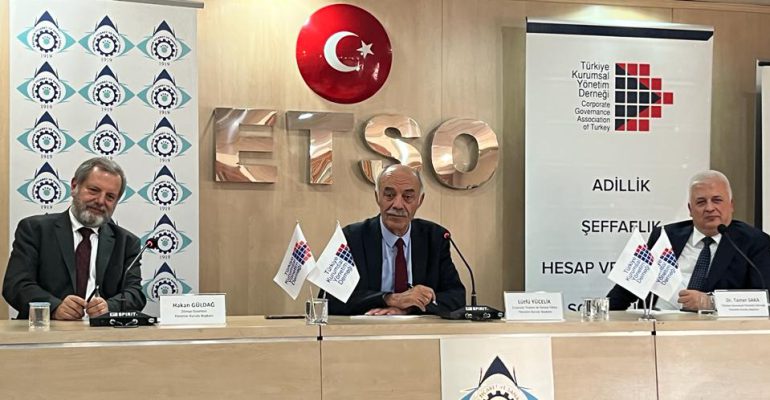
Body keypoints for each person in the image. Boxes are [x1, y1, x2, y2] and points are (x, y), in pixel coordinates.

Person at [3, 157, 146, 320]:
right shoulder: (35, 230)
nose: (100, 201)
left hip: (101, 331)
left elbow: (135, 294)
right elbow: (16, 285)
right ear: (74, 186)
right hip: (47, 329)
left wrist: (109, 307)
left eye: (110, 197)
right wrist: (54, 307)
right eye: (93, 190)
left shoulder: (127, 243)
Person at [608, 170, 770, 311]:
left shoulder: (754, 243)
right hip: (658, 325)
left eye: (717, 200)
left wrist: (711, 302)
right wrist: (601, 314)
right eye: (701, 202)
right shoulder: (665, 236)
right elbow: (628, 288)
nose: (709, 208)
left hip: (715, 330)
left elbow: (763, 300)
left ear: (731, 205)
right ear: (690, 209)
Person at [326, 164, 466, 315]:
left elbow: (456, 297)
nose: (398, 205)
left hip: (419, 329)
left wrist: (409, 308)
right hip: (367, 326)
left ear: (420, 200)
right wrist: (389, 299)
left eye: (407, 197)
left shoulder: (435, 238)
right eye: (389, 195)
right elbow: (329, 299)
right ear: (377, 197)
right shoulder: (351, 238)